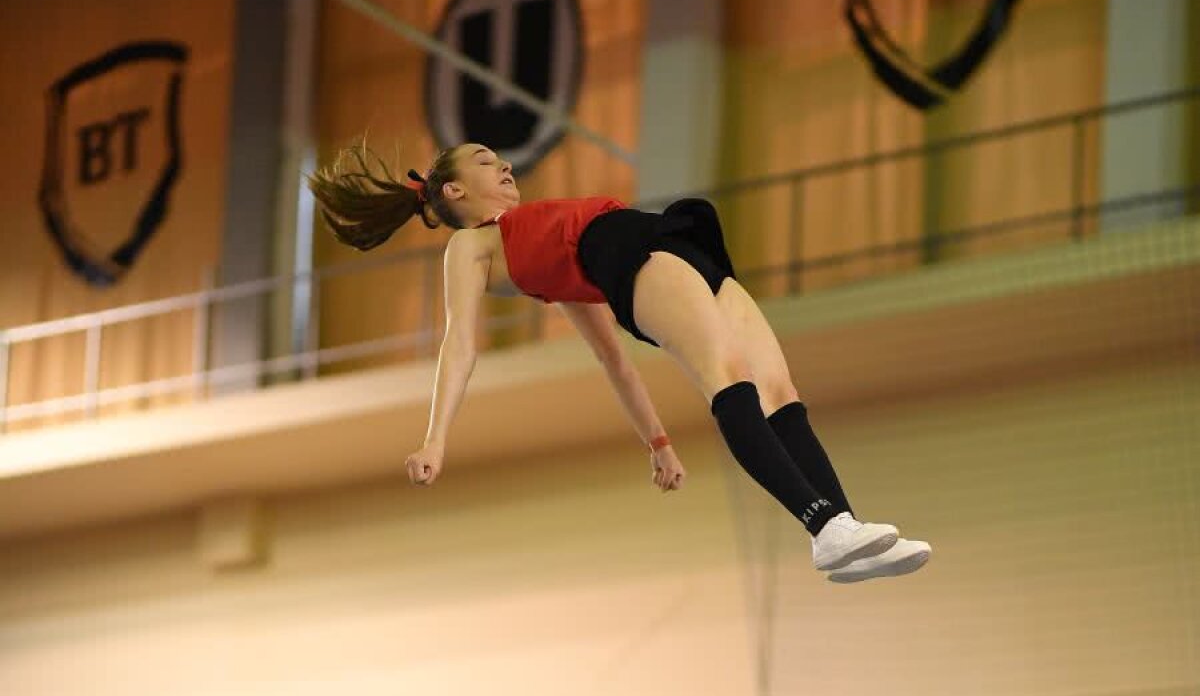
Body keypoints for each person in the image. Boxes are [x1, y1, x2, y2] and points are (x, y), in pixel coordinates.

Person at [308, 144, 931, 585]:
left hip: (671, 241)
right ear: (452, 191)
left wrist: (657, 441)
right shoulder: (471, 245)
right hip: (631, 258)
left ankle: (846, 525)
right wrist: (434, 440)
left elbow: (614, 361)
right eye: (483, 160)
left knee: (779, 388)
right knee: (730, 378)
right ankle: (822, 528)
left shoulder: (546, 255)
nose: (503, 165)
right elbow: (459, 343)